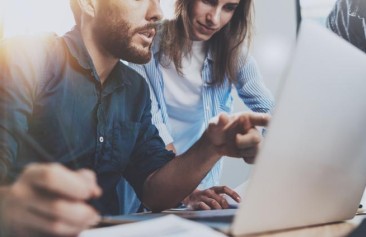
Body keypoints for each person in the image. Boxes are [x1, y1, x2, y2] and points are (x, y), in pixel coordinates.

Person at [0, 0, 270, 236]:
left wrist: (211, 146)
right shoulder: (26, 58)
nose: (157, 12)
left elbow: (155, 191)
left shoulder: (135, 89)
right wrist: (9, 206)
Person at [124, 0, 274, 211]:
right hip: (151, 187)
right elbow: (154, 127)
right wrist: (184, 192)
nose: (214, 18)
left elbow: (268, 110)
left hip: (204, 191)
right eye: (209, 1)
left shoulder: (234, 53)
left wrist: (264, 146)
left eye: (229, 8)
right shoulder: (144, 43)